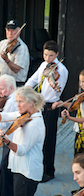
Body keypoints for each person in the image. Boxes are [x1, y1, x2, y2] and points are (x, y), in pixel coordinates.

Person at [0, 86, 45, 196]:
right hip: (19, 168)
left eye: (21, 101)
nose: (18, 104)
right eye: (16, 101)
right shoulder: (26, 114)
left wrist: (7, 141)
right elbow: (6, 116)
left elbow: (22, 150)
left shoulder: (35, 124)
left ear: (31, 102)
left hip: (27, 172)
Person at [25, 40, 68, 182]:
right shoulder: (44, 65)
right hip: (40, 104)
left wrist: (52, 81)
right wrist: (25, 90)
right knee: (38, 136)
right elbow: (33, 79)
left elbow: (58, 91)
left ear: (56, 54)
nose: (47, 58)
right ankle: (38, 166)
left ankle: (49, 171)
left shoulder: (61, 70)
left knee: (49, 139)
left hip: (51, 106)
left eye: (50, 55)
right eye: (45, 55)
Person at [0, 19, 30, 87]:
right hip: (2, 82)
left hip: (15, 84)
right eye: (8, 30)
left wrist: (6, 60)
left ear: (19, 31)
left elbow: (16, 69)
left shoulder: (22, 48)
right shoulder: (2, 43)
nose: (10, 33)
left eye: (13, 30)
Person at [56, 70, 84, 155]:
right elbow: (75, 106)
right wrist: (62, 104)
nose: (81, 84)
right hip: (79, 130)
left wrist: (70, 118)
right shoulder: (81, 95)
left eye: (83, 82)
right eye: (80, 81)